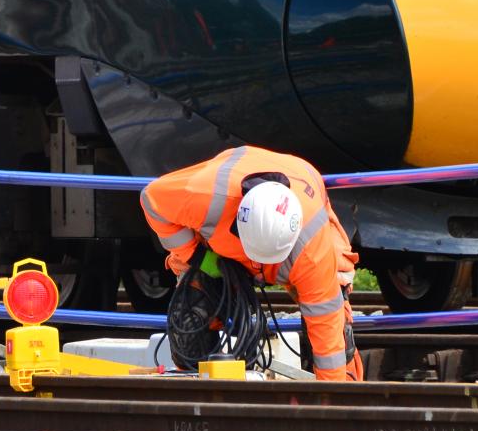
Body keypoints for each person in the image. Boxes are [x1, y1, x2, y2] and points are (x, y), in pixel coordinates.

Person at [139, 143, 363, 380]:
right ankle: (196, 395)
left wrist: (331, 398)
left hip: (300, 199)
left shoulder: (313, 249)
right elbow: (152, 201)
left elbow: (326, 329)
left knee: (338, 330)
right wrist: (196, 256)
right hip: (220, 248)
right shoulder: (204, 196)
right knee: (190, 314)